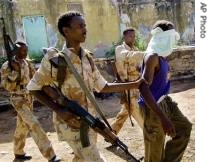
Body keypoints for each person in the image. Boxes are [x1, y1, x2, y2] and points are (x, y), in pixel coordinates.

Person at [26, 11, 141, 162]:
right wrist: (59, 110)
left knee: (81, 158)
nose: (85, 29)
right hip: (71, 122)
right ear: (66, 31)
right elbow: (33, 87)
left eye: (85, 25)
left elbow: (103, 87)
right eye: (80, 26)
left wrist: (136, 84)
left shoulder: (87, 57)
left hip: (91, 121)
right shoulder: (54, 59)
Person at [138, 20, 192, 162]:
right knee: (154, 154)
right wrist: (163, 118)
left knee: (184, 128)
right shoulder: (152, 56)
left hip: (165, 101)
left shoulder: (160, 56)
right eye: (170, 37)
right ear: (162, 37)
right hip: (153, 109)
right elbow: (143, 88)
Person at [0, 41, 60, 162]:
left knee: (22, 126)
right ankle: (51, 155)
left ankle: (18, 152)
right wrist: (15, 72)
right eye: (23, 51)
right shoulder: (8, 66)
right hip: (17, 98)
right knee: (33, 124)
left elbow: (35, 79)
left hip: (29, 97)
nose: (25, 53)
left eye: (26, 50)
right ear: (16, 51)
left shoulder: (28, 63)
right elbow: (6, 86)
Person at [111, 27, 144, 134]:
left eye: (134, 36)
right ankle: (148, 132)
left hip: (137, 85)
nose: (133, 38)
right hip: (126, 85)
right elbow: (128, 56)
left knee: (126, 109)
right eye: (130, 36)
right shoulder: (119, 49)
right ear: (124, 37)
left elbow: (140, 66)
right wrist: (147, 53)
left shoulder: (136, 50)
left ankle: (112, 132)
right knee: (136, 108)